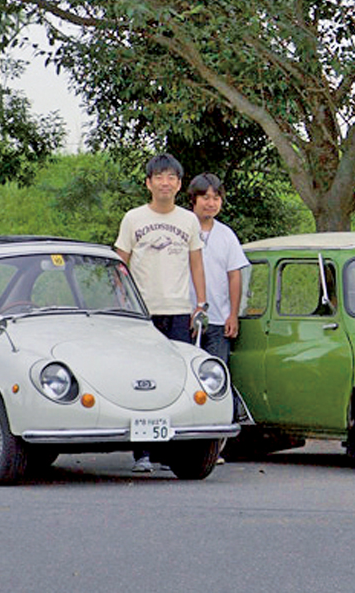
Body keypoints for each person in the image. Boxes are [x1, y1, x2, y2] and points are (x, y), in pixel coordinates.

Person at [115, 153, 208, 473]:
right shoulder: (133, 219)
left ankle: (170, 450)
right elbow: (120, 263)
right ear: (148, 183)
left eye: (171, 178)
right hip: (143, 313)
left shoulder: (188, 221)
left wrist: (201, 304)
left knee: (176, 380)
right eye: (159, 177)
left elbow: (196, 264)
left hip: (178, 310)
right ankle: (141, 453)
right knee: (142, 380)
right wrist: (122, 303)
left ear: (179, 185)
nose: (165, 183)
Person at [187, 173, 249, 364]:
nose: (211, 203)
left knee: (215, 371)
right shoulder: (182, 229)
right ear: (193, 199)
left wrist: (233, 315)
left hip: (218, 321)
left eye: (216, 198)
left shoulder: (227, 235)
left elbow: (234, 276)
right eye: (205, 198)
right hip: (185, 318)